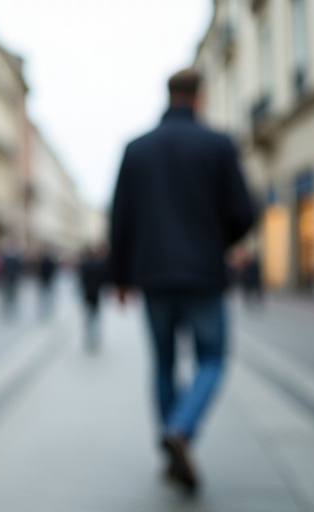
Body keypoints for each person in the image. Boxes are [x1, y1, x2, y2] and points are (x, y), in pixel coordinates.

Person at [106, 68, 254, 494]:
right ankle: (182, 429)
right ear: (200, 97)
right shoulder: (219, 144)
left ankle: (171, 444)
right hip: (204, 274)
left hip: (152, 275)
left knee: (164, 364)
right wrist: (215, 242)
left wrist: (120, 277)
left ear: (168, 95)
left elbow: (121, 219)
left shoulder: (136, 149)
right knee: (212, 356)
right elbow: (243, 211)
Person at [78, 245, 107, 353]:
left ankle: (89, 336)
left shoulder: (85, 265)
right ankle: (95, 336)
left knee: (88, 316)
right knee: (95, 315)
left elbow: (82, 280)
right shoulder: (99, 265)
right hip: (95, 294)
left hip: (87, 293)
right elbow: (103, 279)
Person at [37, 251, 58, 317]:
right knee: (46, 290)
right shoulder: (49, 262)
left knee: (45, 290)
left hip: (45, 278)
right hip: (47, 278)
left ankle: (46, 301)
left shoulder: (43, 261)